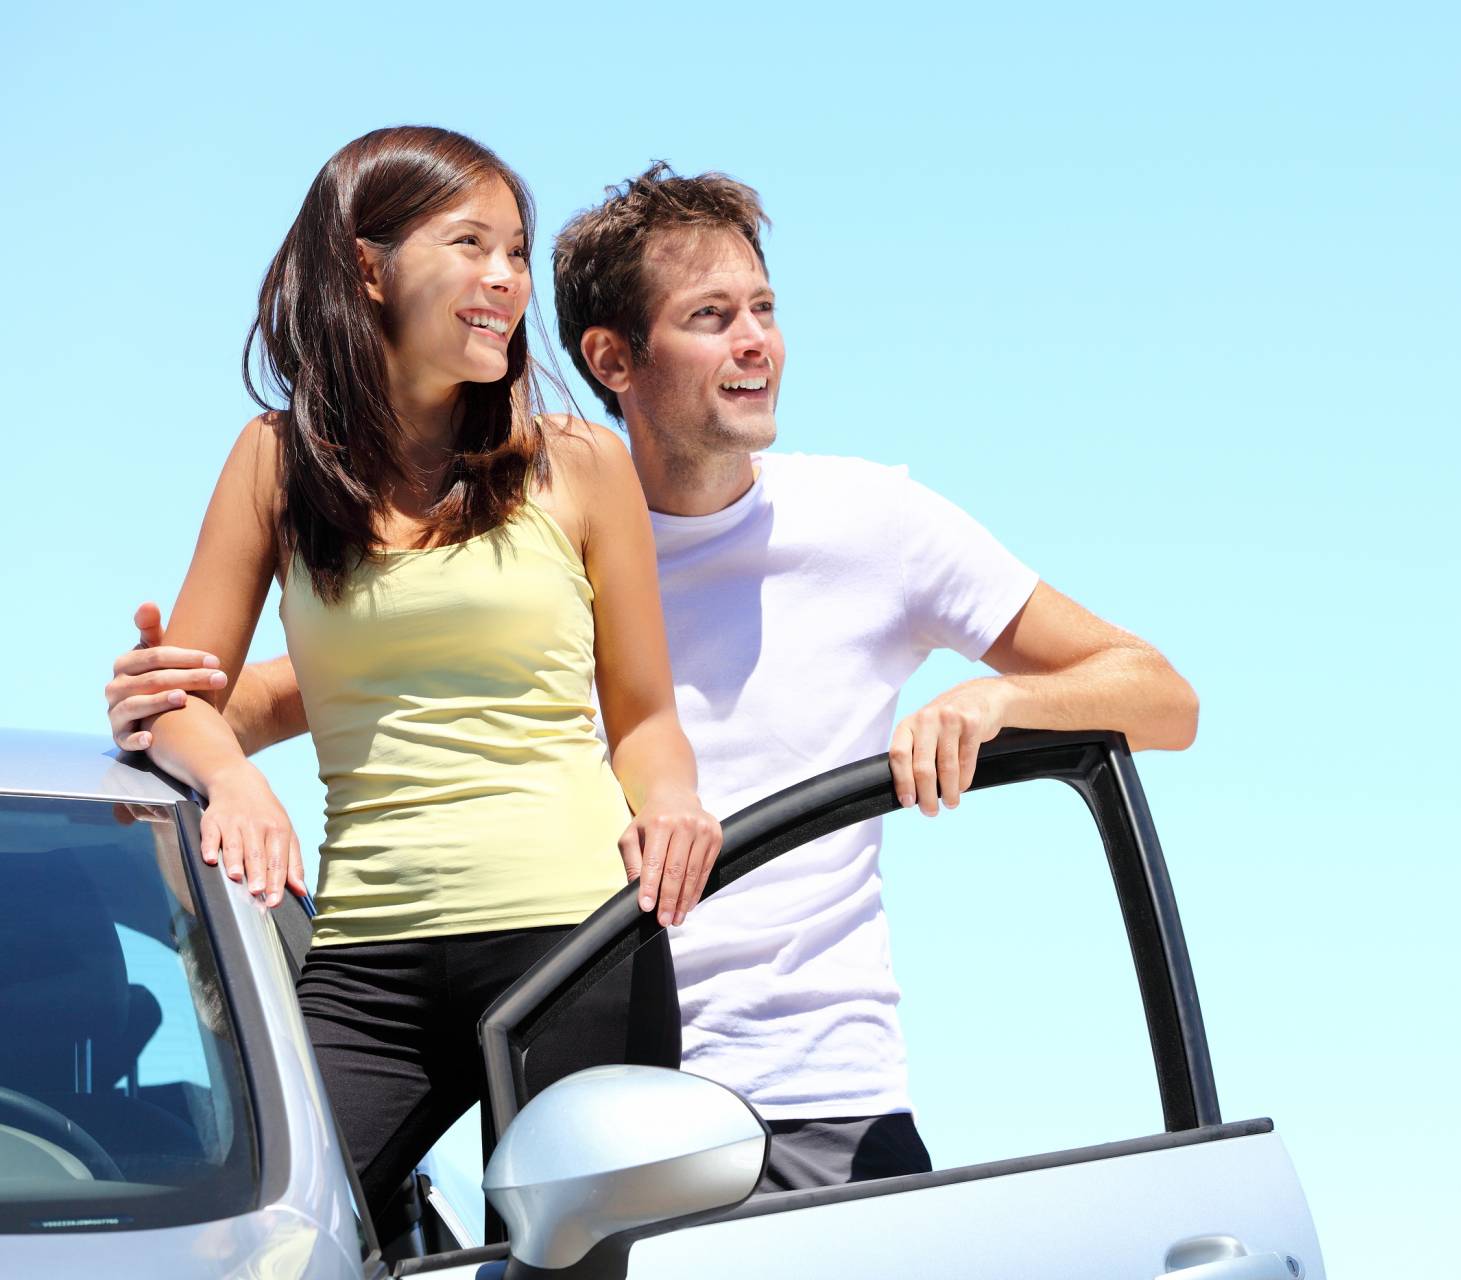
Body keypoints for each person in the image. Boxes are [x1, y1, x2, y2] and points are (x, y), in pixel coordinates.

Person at [109, 163, 1198, 1191]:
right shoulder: (528, 535)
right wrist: (161, 702)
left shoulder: (879, 524)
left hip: (815, 1097)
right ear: (613, 358)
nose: (757, 343)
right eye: (712, 318)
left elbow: (1159, 694)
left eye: (764, 309)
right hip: (576, 1072)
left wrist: (1000, 699)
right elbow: (320, 692)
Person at [128, 128, 720, 1240]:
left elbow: (643, 716)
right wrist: (237, 784)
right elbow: (180, 695)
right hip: (366, 961)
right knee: (267, 1243)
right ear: (369, 266)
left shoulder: (579, 464)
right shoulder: (273, 462)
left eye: (516, 251)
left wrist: (674, 801)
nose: (506, 278)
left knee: (566, 1265)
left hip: (576, 943)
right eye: (472, 244)